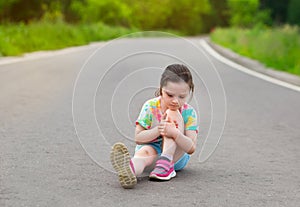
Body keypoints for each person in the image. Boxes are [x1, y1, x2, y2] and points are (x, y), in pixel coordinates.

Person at [110, 64, 198, 189]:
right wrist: (159, 129)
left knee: (172, 114)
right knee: (144, 153)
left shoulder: (189, 112)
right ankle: (130, 170)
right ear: (161, 89)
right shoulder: (150, 106)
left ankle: (166, 162)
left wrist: (175, 133)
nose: (175, 101)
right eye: (170, 95)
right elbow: (138, 137)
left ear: (189, 92)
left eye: (182, 97)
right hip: (152, 150)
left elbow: (191, 147)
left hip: (176, 157)